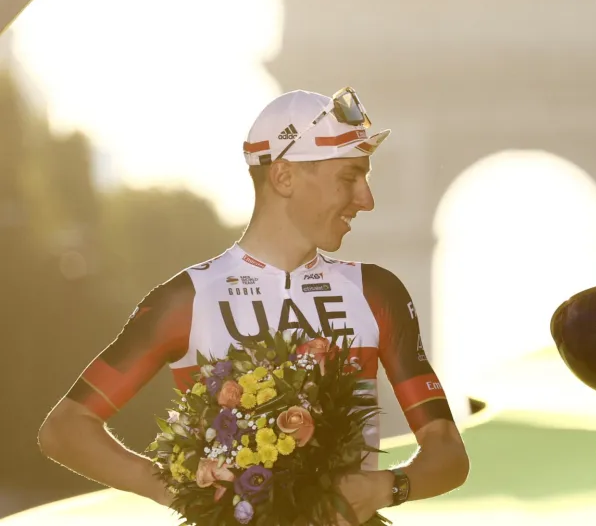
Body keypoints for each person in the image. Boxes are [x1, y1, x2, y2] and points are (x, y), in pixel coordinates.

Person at [38, 88, 470, 523]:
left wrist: (386, 486)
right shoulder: (186, 299)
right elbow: (64, 429)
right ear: (283, 177)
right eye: (349, 177)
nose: (366, 199)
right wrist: (180, 490)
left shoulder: (377, 291)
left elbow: (448, 451)